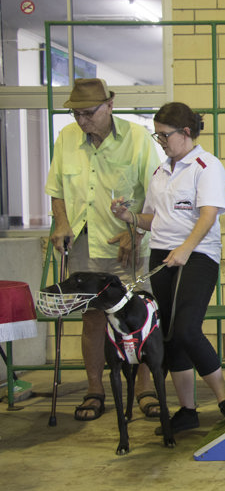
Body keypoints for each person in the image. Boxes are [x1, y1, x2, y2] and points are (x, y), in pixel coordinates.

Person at [112, 102, 225, 433]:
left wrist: (186, 249)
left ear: (186, 133)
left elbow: (208, 214)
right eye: (156, 135)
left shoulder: (206, 166)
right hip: (162, 255)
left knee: (187, 329)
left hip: (197, 255)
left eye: (164, 135)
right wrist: (129, 218)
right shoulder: (160, 172)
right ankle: (187, 410)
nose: (160, 142)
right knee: (170, 335)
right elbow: (154, 219)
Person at [45, 78, 161, 422]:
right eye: (76, 114)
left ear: (110, 105)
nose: (82, 120)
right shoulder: (67, 138)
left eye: (89, 113)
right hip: (83, 242)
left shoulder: (137, 138)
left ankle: (144, 388)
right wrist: (61, 223)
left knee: (138, 318)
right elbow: (56, 190)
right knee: (92, 317)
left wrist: (134, 230)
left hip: (127, 246)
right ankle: (95, 389)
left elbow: (155, 194)